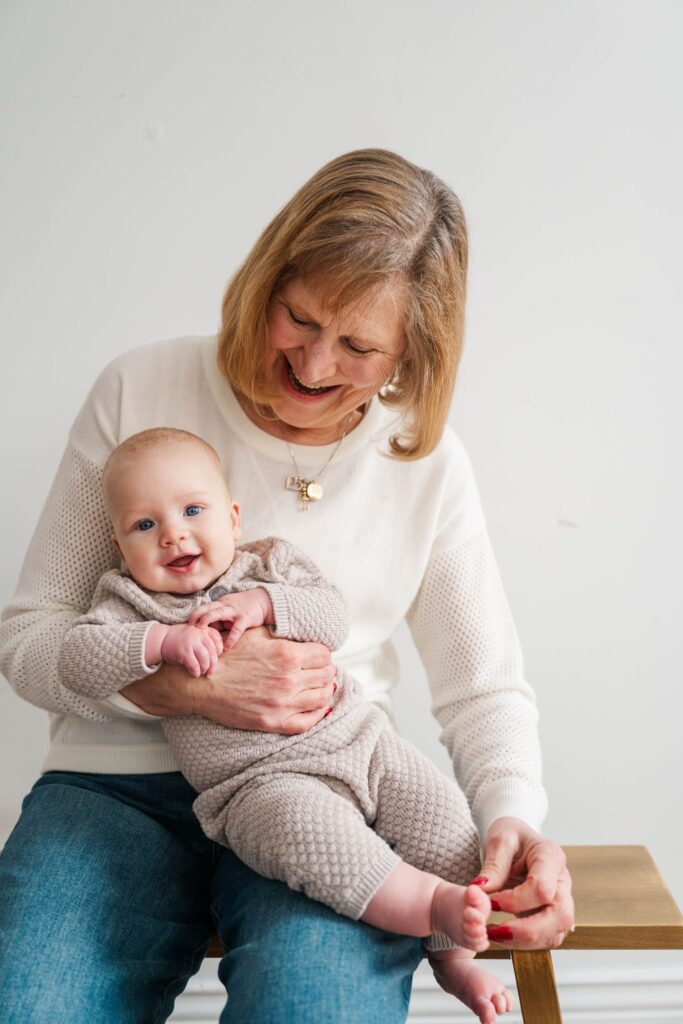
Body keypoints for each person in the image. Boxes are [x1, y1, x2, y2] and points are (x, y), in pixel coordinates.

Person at [0, 148, 574, 1024]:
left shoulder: (424, 465)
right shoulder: (139, 387)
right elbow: (30, 638)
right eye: (297, 318)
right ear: (264, 281)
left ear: (411, 353)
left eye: (357, 346)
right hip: (112, 788)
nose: (311, 364)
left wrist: (511, 815)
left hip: (327, 789)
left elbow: (482, 684)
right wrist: (181, 683)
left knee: (316, 1010)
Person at [59, 425, 514, 1022]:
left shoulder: (269, 564)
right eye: (144, 526)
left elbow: (333, 614)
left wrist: (264, 604)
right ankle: (432, 906)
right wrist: (161, 643)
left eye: (194, 510)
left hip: (359, 737)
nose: (173, 533)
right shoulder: (127, 603)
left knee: (439, 812)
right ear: (121, 547)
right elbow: (75, 659)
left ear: (233, 517)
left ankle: (453, 957)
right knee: (315, 836)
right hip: (259, 785)